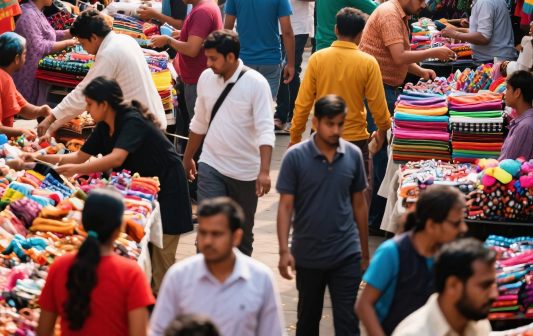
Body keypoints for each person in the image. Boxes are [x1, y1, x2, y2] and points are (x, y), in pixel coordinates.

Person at [38, 78, 193, 292]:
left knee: (162, 260)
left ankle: (161, 316)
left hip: (168, 188)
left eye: (90, 104)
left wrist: (76, 170)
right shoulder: (104, 127)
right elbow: (78, 157)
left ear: (104, 104)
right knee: (145, 255)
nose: (88, 110)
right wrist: (37, 157)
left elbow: (117, 158)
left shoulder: (131, 120)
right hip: (141, 192)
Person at [359, 0, 456, 229]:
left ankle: (375, 217)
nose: (423, 5)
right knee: (382, 151)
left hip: (385, 85)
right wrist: (433, 53)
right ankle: (375, 219)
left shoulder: (397, 14)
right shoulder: (390, 15)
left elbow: (399, 58)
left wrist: (420, 71)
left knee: (384, 150)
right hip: (377, 88)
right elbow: (399, 55)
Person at [277, 95, 369, 336]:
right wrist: (283, 251)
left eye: (340, 124)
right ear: (316, 123)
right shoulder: (295, 157)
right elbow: (285, 207)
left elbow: (359, 205)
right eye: (330, 124)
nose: (336, 130)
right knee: (308, 319)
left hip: (346, 253)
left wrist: (364, 252)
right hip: (308, 254)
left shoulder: (353, 155)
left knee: (347, 323)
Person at [183, 32, 276, 256]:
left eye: (214, 59)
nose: (208, 64)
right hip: (211, 165)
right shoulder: (206, 78)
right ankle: (205, 282)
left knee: (241, 236)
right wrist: (188, 158)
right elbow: (200, 121)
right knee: (208, 229)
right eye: (208, 58)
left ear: (232, 57)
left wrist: (264, 171)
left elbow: (265, 128)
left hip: (246, 172)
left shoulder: (257, 84)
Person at [150, 197, 284, 336]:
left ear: (236, 237)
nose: (208, 241)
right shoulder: (178, 276)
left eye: (216, 234)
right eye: (203, 233)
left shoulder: (261, 279)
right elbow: (158, 330)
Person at [38, 188, 154, 336]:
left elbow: (43, 330)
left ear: (83, 224)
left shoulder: (60, 266)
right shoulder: (130, 273)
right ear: (119, 229)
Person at [290, 8, 390, 174]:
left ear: (336, 29)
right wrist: (382, 130)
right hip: (355, 139)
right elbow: (378, 105)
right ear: (360, 34)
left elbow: (303, 103)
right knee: (355, 194)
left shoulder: (317, 59)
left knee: (319, 191)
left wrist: (295, 138)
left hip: (321, 137)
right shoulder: (368, 63)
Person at [357, 186, 467, 336]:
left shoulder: (448, 255)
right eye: (456, 223)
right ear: (431, 225)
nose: (463, 228)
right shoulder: (392, 252)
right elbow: (364, 305)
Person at [37, 9, 167, 135]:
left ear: (93, 37)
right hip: (149, 120)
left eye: (82, 44)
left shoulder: (109, 53)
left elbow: (83, 93)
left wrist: (51, 120)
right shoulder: (124, 40)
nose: (84, 49)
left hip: (141, 128)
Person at [150, 0, 223, 118]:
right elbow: (200, 38)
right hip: (194, 77)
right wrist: (182, 34)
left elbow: (192, 49)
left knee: (196, 127)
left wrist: (168, 40)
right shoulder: (204, 5)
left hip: (197, 80)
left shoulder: (203, 11)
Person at [224, 0, 295, 98]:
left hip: (243, 60)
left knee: (244, 110)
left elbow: (227, 29)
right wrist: (291, 63)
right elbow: (287, 31)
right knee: (266, 110)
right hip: (271, 60)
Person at [391, 240, 498, 336]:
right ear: (453, 285)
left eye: (493, 284)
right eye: (485, 286)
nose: (494, 295)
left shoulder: (479, 325)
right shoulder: (413, 333)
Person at [274, 0, 320, 131]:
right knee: (281, 67)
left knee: (290, 68)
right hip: (278, 23)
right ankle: (284, 114)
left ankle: (291, 115)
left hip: (298, 25)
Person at [14, 0, 76, 105]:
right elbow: (39, 46)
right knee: (27, 110)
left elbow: (50, 34)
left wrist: (70, 32)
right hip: (27, 75)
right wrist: (67, 43)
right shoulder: (27, 16)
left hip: (36, 71)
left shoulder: (36, 11)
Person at [440, 0, 517, 63]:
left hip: (495, 61)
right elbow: (483, 32)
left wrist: (455, 34)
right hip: (493, 58)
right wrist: (458, 29)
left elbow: (483, 37)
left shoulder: (485, 1)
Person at [0, 33, 52, 137]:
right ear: (17, 58)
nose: (26, 57)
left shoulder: (5, 77)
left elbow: (23, 108)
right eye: (24, 54)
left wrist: (42, 110)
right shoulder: (2, 79)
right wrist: (21, 132)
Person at [500, 69, 533, 160]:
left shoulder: (525, 126)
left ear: (517, 93)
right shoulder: (522, 122)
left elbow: (509, 164)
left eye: (507, 89)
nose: (504, 93)